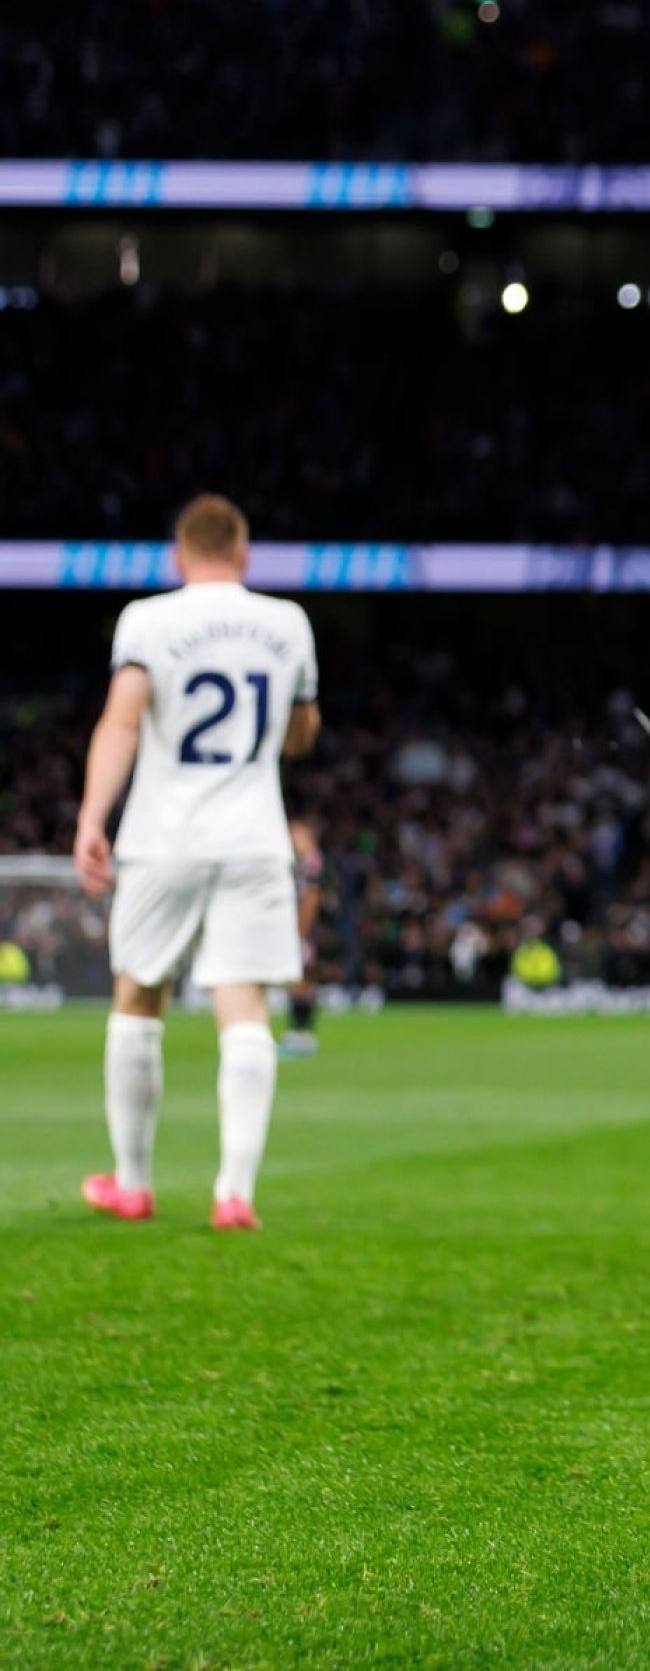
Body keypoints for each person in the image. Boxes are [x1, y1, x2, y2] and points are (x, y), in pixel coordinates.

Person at [72, 495, 321, 1232]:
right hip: (254, 837)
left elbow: (122, 718)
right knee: (243, 1008)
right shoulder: (289, 624)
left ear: (179, 558)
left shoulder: (150, 619)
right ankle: (233, 1192)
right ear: (244, 556)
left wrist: (92, 817)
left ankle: (134, 1182)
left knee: (139, 995)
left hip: (165, 835)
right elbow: (300, 735)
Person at [281, 818, 323, 1058]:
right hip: (291, 925)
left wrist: (300, 929)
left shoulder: (311, 862)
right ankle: (299, 1033)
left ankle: (302, 1035)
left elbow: (312, 896)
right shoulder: (297, 863)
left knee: (301, 978)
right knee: (296, 978)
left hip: (300, 927)